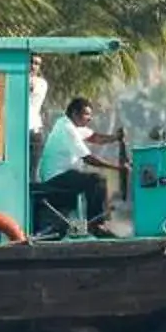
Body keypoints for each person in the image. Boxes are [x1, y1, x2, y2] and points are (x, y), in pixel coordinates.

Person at [34, 94, 126, 237]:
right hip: (56, 178)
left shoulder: (72, 126)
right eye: (86, 114)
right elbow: (88, 159)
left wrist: (116, 137)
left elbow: (95, 137)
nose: (90, 118)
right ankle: (96, 225)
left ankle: (94, 223)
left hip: (64, 176)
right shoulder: (67, 128)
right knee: (96, 180)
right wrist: (117, 168)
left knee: (90, 180)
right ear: (75, 113)